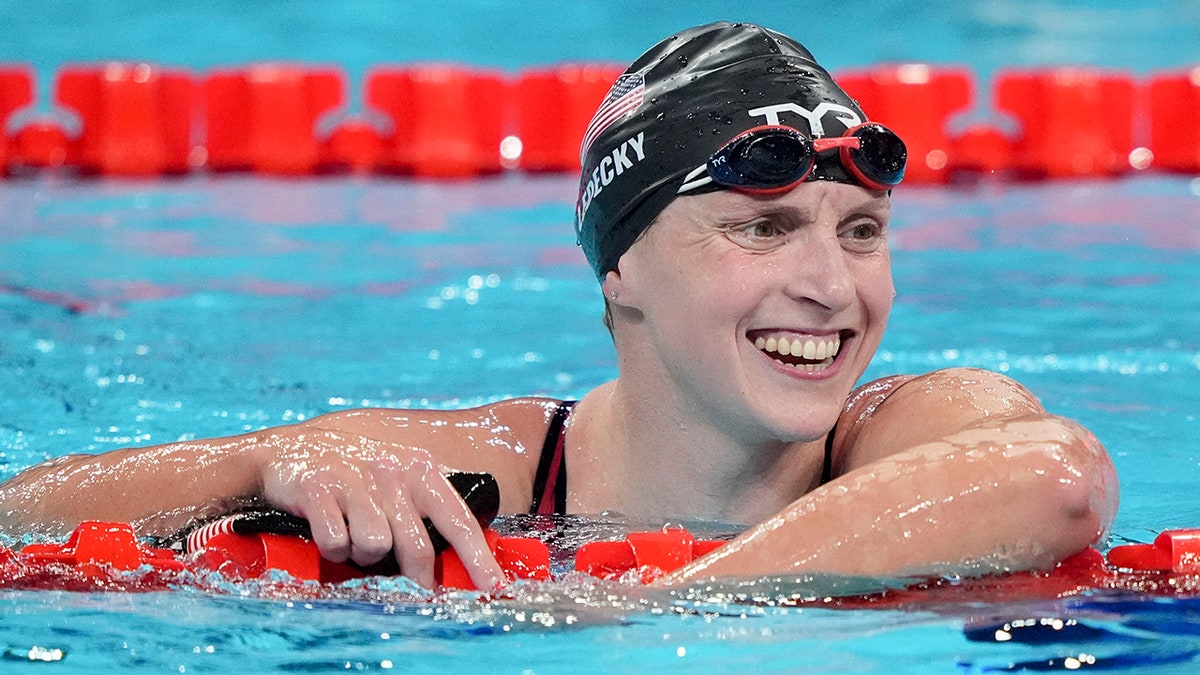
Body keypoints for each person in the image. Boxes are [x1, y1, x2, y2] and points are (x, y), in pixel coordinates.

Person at [0, 22, 1117, 590]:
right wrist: (267, 468)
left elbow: (1059, 482)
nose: (833, 288)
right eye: (764, 227)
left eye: (860, 232)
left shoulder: (903, 430)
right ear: (620, 268)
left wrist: (664, 606)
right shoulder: (497, 465)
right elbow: (21, 517)